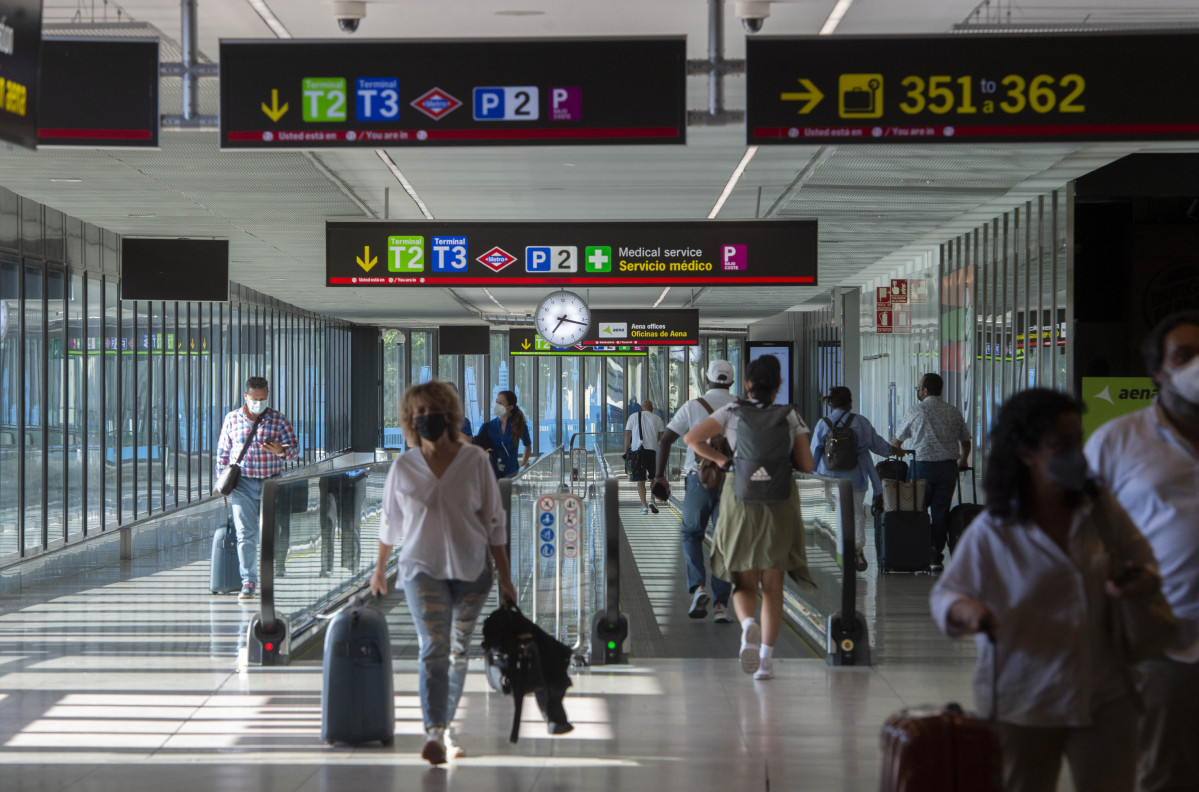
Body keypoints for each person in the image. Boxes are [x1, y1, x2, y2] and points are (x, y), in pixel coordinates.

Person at [931, 388, 1161, 792]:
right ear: (1026, 453)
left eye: (1077, 439)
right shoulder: (995, 530)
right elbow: (948, 594)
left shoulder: (1100, 509)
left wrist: (1138, 580)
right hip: (1024, 696)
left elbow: (1147, 564)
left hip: (1104, 691)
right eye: (1060, 443)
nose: (1075, 452)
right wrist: (969, 611)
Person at [369, 381, 517, 766]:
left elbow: (494, 522)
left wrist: (506, 577)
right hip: (421, 570)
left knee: (456, 650)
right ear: (409, 419)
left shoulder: (473, 462)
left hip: (472, 570)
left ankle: (447, 727)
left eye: (432, 411)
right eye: (418, 413)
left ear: (449, 416)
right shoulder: (404, 467)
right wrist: (380, 570)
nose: (425, 418)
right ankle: (435, 731)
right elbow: (390, 524)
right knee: (433, 648)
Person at [1085, 310, 1199, 792]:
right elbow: (1084, 530)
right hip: (1163, 635)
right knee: (1166, 769)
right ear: (1158, 370)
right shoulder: (1118, 440)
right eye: (1186, 356)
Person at [684, 354, 814, 680]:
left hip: (740, 499)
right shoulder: (791, 415)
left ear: (747, 385)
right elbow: (808, 465)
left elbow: (692, 439)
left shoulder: (731, 412)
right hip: (780, 502)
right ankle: (766, 661)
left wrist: (724, 461)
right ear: (778, 386)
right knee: (773, 584)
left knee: (743, 581)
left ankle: (747, 625)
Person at [653, 360, 738, 623]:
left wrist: (659, 476)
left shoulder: (692, 406)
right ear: (731, 382)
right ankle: (721, 606)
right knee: (724, 541)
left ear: (707, 380)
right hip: (732, 481)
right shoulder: (742, 408)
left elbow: (666, 440)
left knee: (691, 534)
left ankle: (699, 587)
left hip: (698, 479)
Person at [215, 376, 299, 601]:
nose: (259, 402)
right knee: (245, 534)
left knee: (272, 533)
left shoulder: (278, 420)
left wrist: (281, 451)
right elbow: (223, 453)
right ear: (246, 396)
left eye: (263, 399)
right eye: (255, 398)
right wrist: (222, 481)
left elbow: (295, 451)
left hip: (271, 483)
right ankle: (249, 581)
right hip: (242, 484)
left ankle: (271, 575)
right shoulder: (232, 419)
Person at [892, 372, 971, 571]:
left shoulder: (916, 411)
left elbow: (896, 441)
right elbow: (965, 441)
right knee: (941, 510)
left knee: (916, 510)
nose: (918, 391)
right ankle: (937, 554)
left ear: (925, 390)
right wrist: (962, 459)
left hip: (922, 466)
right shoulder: (953, 411)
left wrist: (901, 453)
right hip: (947, 467)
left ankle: (918, 551)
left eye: (919, 388)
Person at [810, 386, 895, 572]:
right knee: (856, 514)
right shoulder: (861, 422)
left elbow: (814, 453)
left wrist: (814, 477)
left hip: (828, 478)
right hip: (856, 477)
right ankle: (856, 548)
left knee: (834, 516)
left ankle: (838, 553)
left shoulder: (823, 424)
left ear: (831, 403)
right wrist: (893, 450)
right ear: (850, 402)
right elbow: (876, 444)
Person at [624, 398, 666, 514]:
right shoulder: (657, 419)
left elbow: (628, 435)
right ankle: (652, 500)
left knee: (640, 481)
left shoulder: (633, 417)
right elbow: (662, 439)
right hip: (652, 452)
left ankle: (644, 507)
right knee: (654, 478)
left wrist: (627, 451)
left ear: (641, 408)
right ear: (652, 409)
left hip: (637, 452)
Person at [486, 389, 531, 478]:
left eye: (501, 403)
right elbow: (478, 448)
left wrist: (523, 465)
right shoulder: (488, 426)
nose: (497, 405)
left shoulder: (519, 425)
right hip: (492, 474)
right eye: (496, 402)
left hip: (512, 473)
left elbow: (528, 445)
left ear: (510, 407)